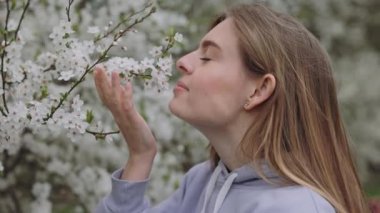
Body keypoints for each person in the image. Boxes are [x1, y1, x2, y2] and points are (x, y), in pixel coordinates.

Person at [93, 3, 370, 213]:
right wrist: (141, 156)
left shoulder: (294, 207)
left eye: (208, 57)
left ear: (259, 90)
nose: (183, 62)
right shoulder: (202, 181)